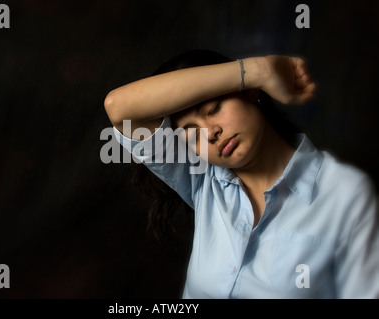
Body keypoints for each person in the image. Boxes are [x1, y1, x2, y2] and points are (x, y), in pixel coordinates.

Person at [103, 50, 379, 298]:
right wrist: (256, 70)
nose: (210, 133)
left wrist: (249, 79)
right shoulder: (203, 178)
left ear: (249, 93)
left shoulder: (345, 194)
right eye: (191, 131)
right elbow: (119, 107)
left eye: (214, 109)